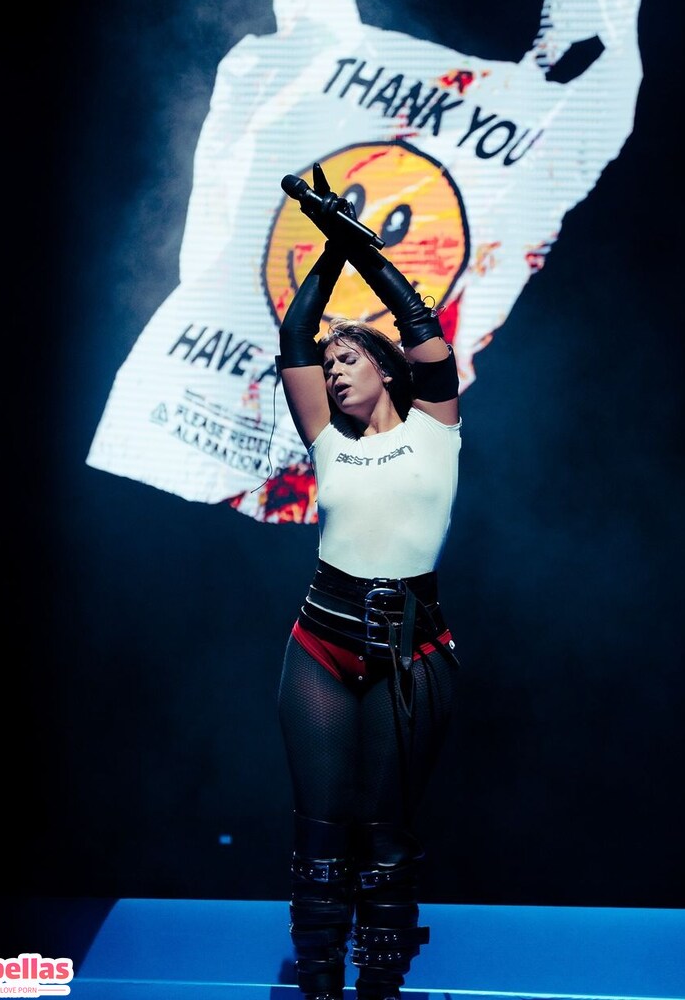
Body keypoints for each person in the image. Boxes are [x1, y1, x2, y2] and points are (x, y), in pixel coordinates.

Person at [276, 162, 462, 1000]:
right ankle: (318, 984)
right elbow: (295, 337)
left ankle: (380, 987)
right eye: (329, 366)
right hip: (321, 644)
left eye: (348, 358)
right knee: (321, 834)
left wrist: (360, 249)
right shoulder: (328, 439)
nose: (334, 372)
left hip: (411, 652)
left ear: (385, 369)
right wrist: (329, 248)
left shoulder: (437, 425)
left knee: (387, 834)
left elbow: (423, 325)